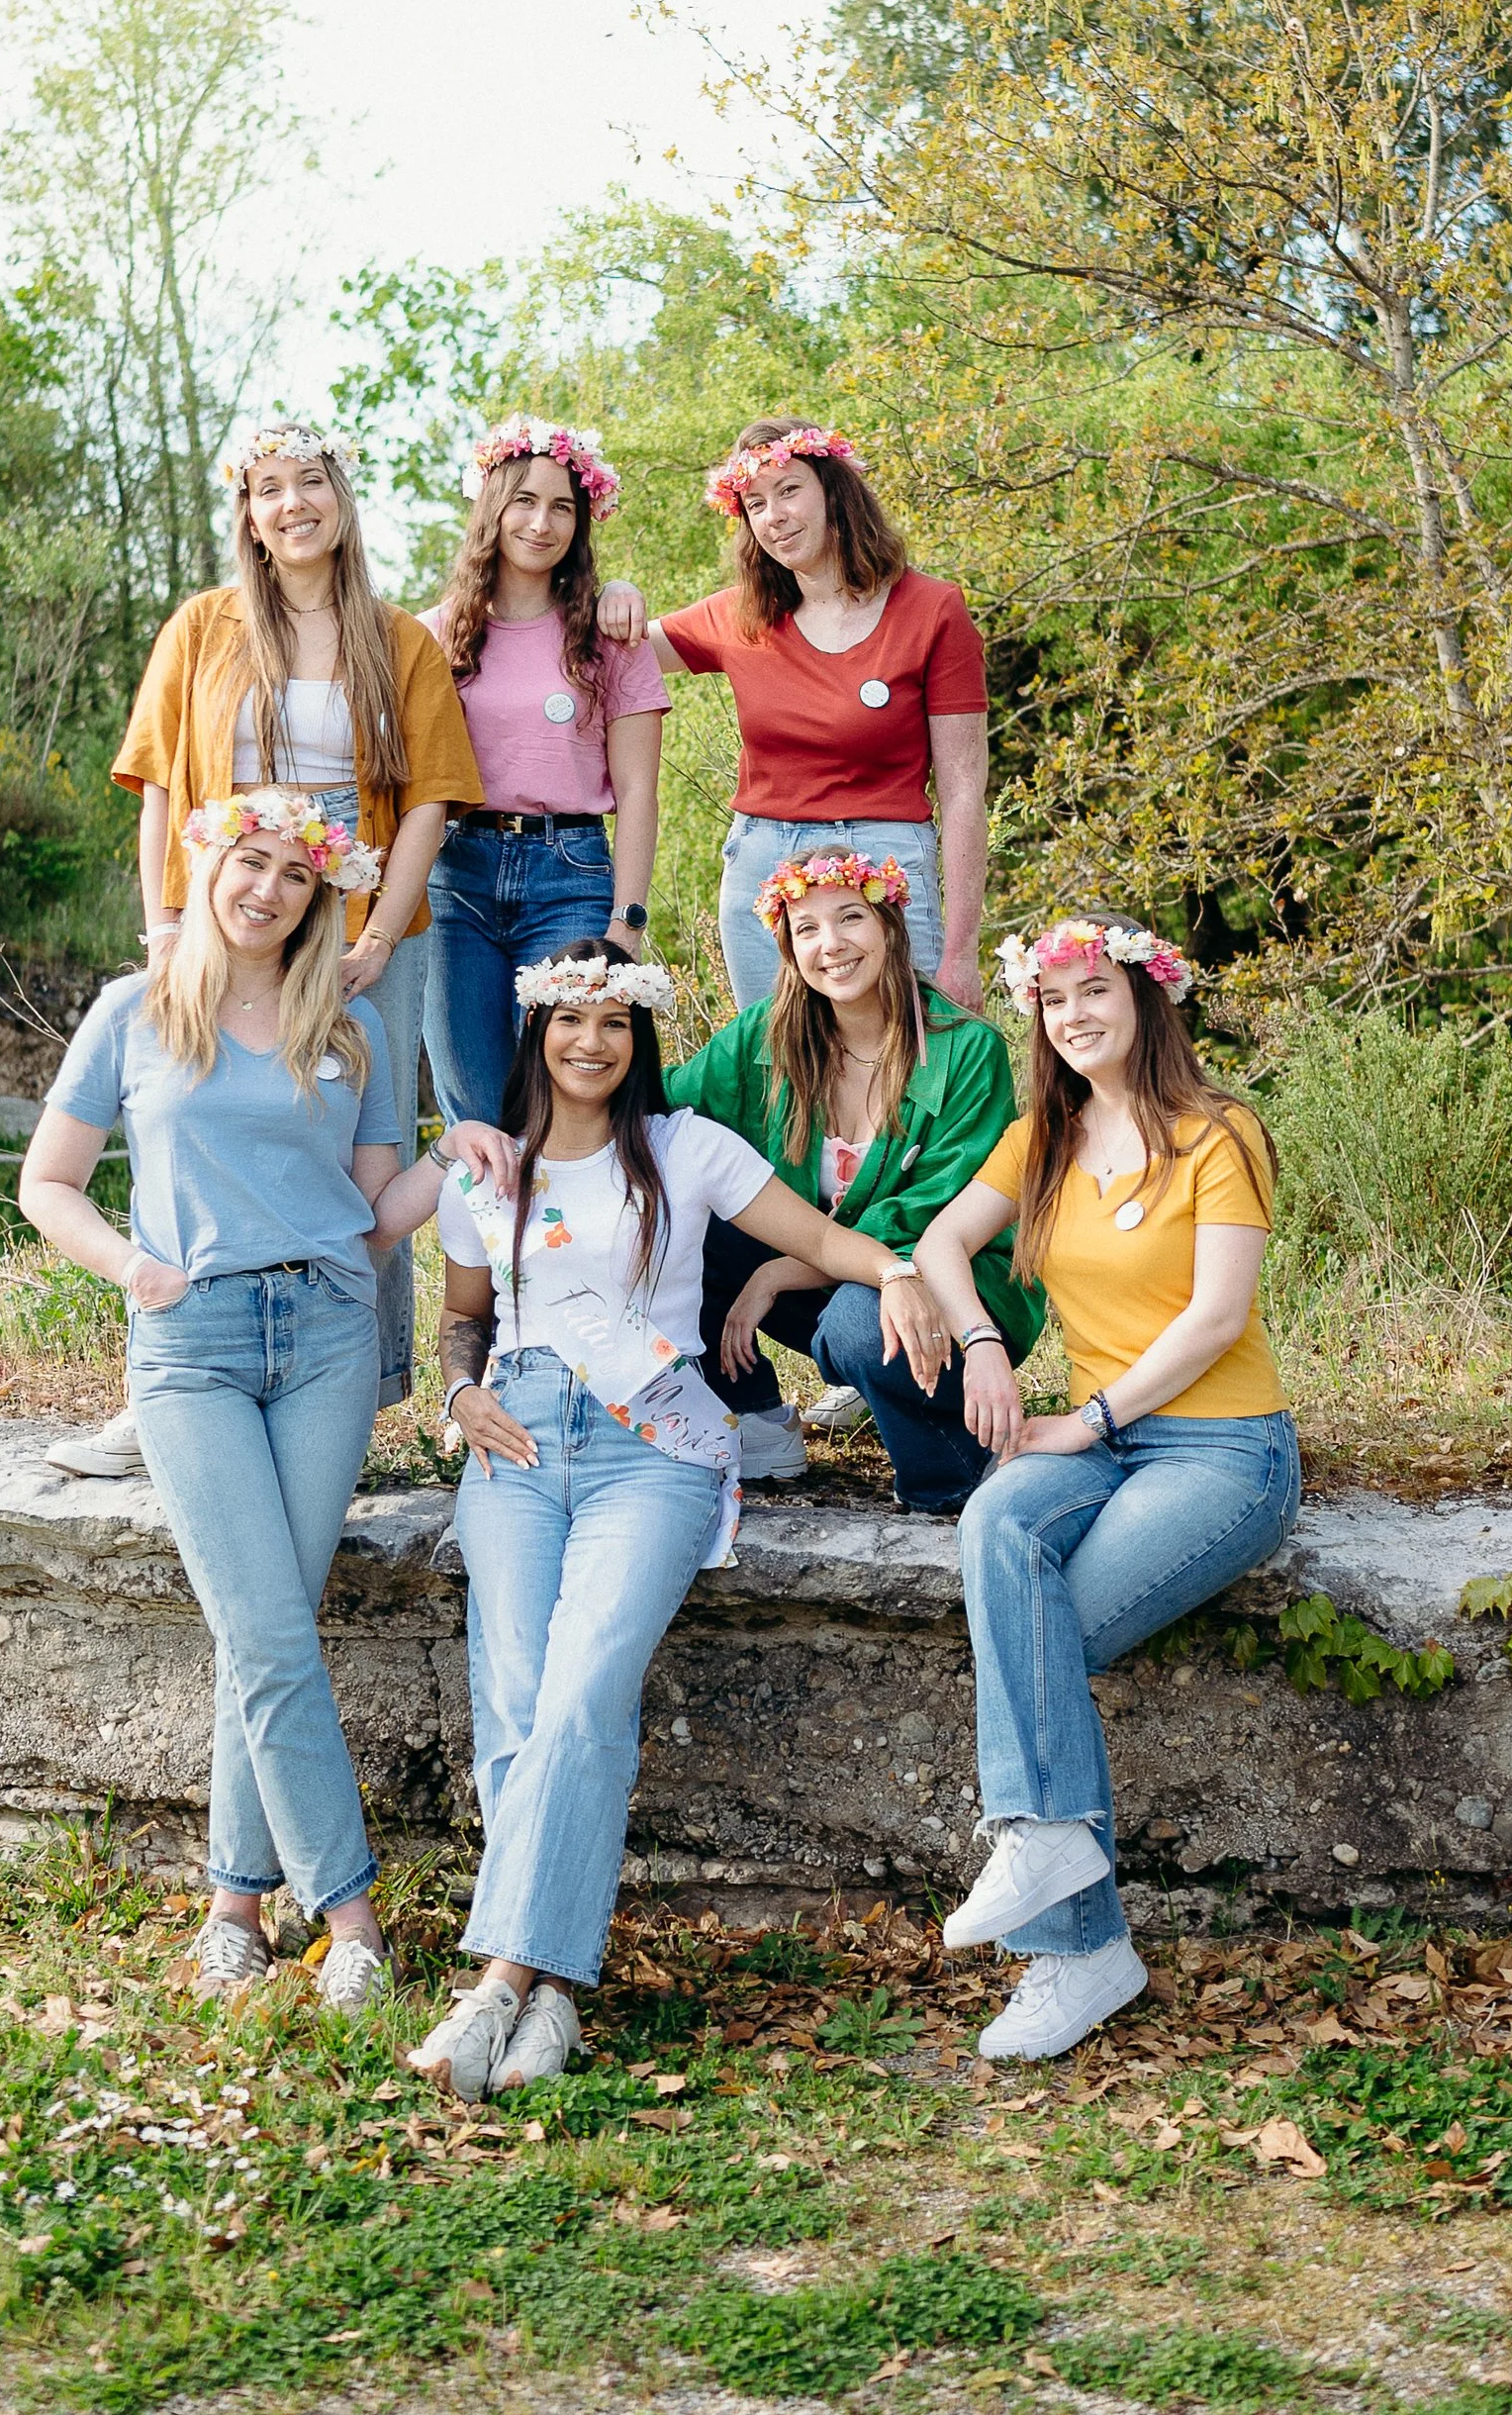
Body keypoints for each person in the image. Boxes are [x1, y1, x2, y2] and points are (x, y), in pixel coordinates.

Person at [391, 939, 945, 2101]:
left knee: (587, 1685)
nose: (591, 1042)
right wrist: (456, 1389)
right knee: (517, 1691)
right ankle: (554, 1997)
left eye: (615, 1024)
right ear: (537, 1031)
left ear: (639, 1042)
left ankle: (500, 1982)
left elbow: (815, 1238)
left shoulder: (684, 1149)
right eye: (570, 1021)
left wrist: (894, 1270)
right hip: (519, 1436)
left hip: (657, 1444)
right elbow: (461, 1317)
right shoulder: (485, 1172)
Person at [18, 786, 463, 2007]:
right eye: (247, 862)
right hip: (190, 1342)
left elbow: (372, 1224)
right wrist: (130, 1266)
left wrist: (453, 1156)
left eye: (293, 875)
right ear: (207, 866)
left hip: (323, 1338)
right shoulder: (135, 1011)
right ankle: (354, 1920)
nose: (264, 889)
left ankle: (231, 1911)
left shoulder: (352, 1024)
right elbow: (46, 1185)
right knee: (268, 1631)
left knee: (260, 1628)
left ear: (319, 897)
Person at [912, 915, 1298, 2065]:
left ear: (1143, 1000)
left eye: (1094, 993)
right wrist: (982, 1342)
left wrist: (1087, 1419)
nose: (1073, 1015)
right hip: (1099, 1444)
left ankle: (1073, 1940)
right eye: (1052, 998)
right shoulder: (1044, 1137)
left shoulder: (1217, 1134)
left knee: (1036, 1638)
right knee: (994, 1518)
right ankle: (1064, 1889)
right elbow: (939, 1246)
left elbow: (1216, 1317)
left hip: (1222, 1448)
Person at [66, 409, 479, 1471]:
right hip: (230, 896)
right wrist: (165, 923)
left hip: (353, 909)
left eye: (309, 483)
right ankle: (161, 1381)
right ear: (247, 516)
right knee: (186, 1126)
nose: (290, 505)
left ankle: (358, 1394)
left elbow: (429, 800)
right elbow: (162, 784)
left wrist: (380, 930)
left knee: (360, 1155)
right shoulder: (203, 628)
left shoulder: (400, 641)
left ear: (342, 500)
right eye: (266, 489)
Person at [665, 845, 1039, 1496]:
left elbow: (935, 1217)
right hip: (843, 1279)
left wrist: (784, 1267)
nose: (830, 944)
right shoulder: (766, 1036)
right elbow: (664, 1103)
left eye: (850, 918)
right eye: (806, 927)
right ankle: (755, 1417)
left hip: (950, 1288)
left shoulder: (967, 1048)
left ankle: (947, 1475)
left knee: (858, 1324)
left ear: (890, 924)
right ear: (788, 946)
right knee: (679, 1205)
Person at [595, 415, 988, 1011]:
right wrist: (614, 589)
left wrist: (961, 953)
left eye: (789, 490)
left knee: (907, 1064)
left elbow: (963, 791)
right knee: (778, 1066)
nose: (773, 515)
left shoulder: (932, 610)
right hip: (762, 860)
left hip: (887, 865)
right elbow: (608, 651)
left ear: (834, 492)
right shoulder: (739, 616)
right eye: (754, 503)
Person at [421, 418, 666, 1128]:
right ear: (491, 507)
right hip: (456, 877)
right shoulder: (432, 634)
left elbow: (641, 792)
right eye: (524, 501)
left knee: (573, 1091)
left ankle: (581, 1237)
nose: (541, 522)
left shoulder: (611, 637)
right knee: (474, 1097)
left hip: (571, 875)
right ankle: (499, 1241)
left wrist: (628, 920)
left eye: (563, 506)